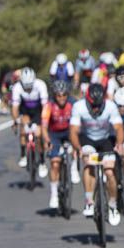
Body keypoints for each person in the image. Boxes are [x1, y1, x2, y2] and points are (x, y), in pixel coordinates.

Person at [70, 83, 124, 226]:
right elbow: (74, 131)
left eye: (98, 106)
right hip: (87, 139)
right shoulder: (79, 107)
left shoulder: (110, 106)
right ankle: (89, 200)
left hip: (106, 139)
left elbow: (118, 128)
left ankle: (113, 205)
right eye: (93, 106)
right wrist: (78, 148)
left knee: (109, 171)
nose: (95, 109)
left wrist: (119, 144)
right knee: (89, 164)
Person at [42, 80, 76, 208]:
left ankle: (73, 168)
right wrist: (47, 141)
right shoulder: (48, 106)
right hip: (54, 134)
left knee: (75, 146)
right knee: (55, 163)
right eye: (58, 95)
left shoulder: (73, 103)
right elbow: (44, 127)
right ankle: (54, 194)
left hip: (69, 132)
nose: (61, 98)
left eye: (64, 95)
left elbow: (80, 123)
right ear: (54, 95)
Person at [10, 67, 49, 175]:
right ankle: (23, 154)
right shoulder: (17, 87)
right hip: (25, 110)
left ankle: (42, 162)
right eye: (25, 86)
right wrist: (16, 121)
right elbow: (15, 107)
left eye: (30, 86)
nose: (27, 89)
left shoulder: (40, 85)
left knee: (39, 134)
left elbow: (45, 106)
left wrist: (44, 122)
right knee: (23, 131)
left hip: (38, 110)